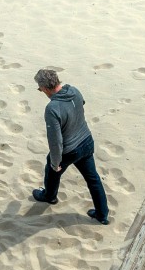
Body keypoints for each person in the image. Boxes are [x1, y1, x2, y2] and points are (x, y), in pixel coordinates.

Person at [30, 69, 109, 225]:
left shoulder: (52, 108)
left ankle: (49, 196)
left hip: (69, 150)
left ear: (45, 88)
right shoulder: (74, 91)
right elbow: (82, 103)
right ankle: (102, 214)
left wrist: (55, 162)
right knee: (93, 179)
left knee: (52, 170)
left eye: (40, 89)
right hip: (86, 141)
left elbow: (55, 141)